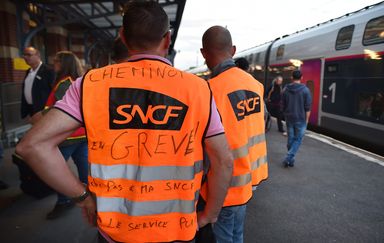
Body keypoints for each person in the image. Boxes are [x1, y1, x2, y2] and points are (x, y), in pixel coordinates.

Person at [16, 2, 233, 243]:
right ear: (167, 39)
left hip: (115, 231)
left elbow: (32, 146)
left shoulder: (90, 84)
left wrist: (83, 197)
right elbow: (223, 161)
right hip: (178, 230)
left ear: (122, 36)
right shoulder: (199, 89)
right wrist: (209, 215)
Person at [200, 26, 268, 243]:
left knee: (223, 237)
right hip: (249, 180)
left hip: (223, 186)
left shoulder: (209, 90)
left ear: (203, 53)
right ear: (234, 50)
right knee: (236, 234)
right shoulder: (255, 85)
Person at [39, 51, 89, 219]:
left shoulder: (65, 82)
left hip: (68, 136)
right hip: (81, 135)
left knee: (55, 169)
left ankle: (63, 201)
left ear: (64, 63)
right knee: (84, 168)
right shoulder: (74, 81)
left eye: (56, 61)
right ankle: (91, 198)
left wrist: (41, 117)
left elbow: (62, 112)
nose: (54, 64)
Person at [280, 70, 312, 167]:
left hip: (289, 118)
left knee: (291, 138)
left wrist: (285, 114)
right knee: (298, 139)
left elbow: (282, 105)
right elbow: (307, 107)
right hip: (300, 118)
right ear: (301, 78)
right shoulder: (305, 90)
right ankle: (288, 157)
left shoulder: (285, 89)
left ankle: (291, 160)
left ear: (291, 77)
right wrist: (307, 120)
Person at [21, 46, 55, 124]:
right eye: (24, 55)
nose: (25, 57)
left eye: (29, 55)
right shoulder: (28, 71)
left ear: (38, 56)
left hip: (44, 111)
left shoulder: (48, 71)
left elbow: (53, 92)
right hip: (31, 110)